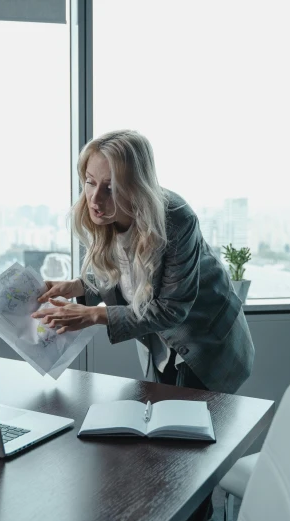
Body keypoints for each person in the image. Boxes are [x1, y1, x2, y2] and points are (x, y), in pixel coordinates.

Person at [32, 129, 254, 396]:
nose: (95, 198)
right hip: (160, 343)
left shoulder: (175, 219)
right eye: (90, 182)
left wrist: (92, 315)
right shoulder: (104, 215)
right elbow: (124, 274)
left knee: (191, 430)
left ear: (135, 187)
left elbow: (171, 309)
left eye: (111, 187)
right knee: (161, 422)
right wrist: (77, 287)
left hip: (205, 344)